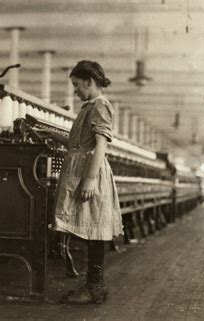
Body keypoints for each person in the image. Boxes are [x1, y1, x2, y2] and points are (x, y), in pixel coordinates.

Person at [36, 60, 123, 304]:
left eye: (77, 85)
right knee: (91, 229)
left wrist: (90, 180)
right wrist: (54, 135)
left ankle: (95, 286)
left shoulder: (101, 105)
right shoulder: (89, 107)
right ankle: (95, 286)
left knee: (94, 230)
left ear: (89, 81)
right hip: (81, 169)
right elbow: (79, 144)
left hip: (89, 173)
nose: (74, 90)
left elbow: (100, 145)